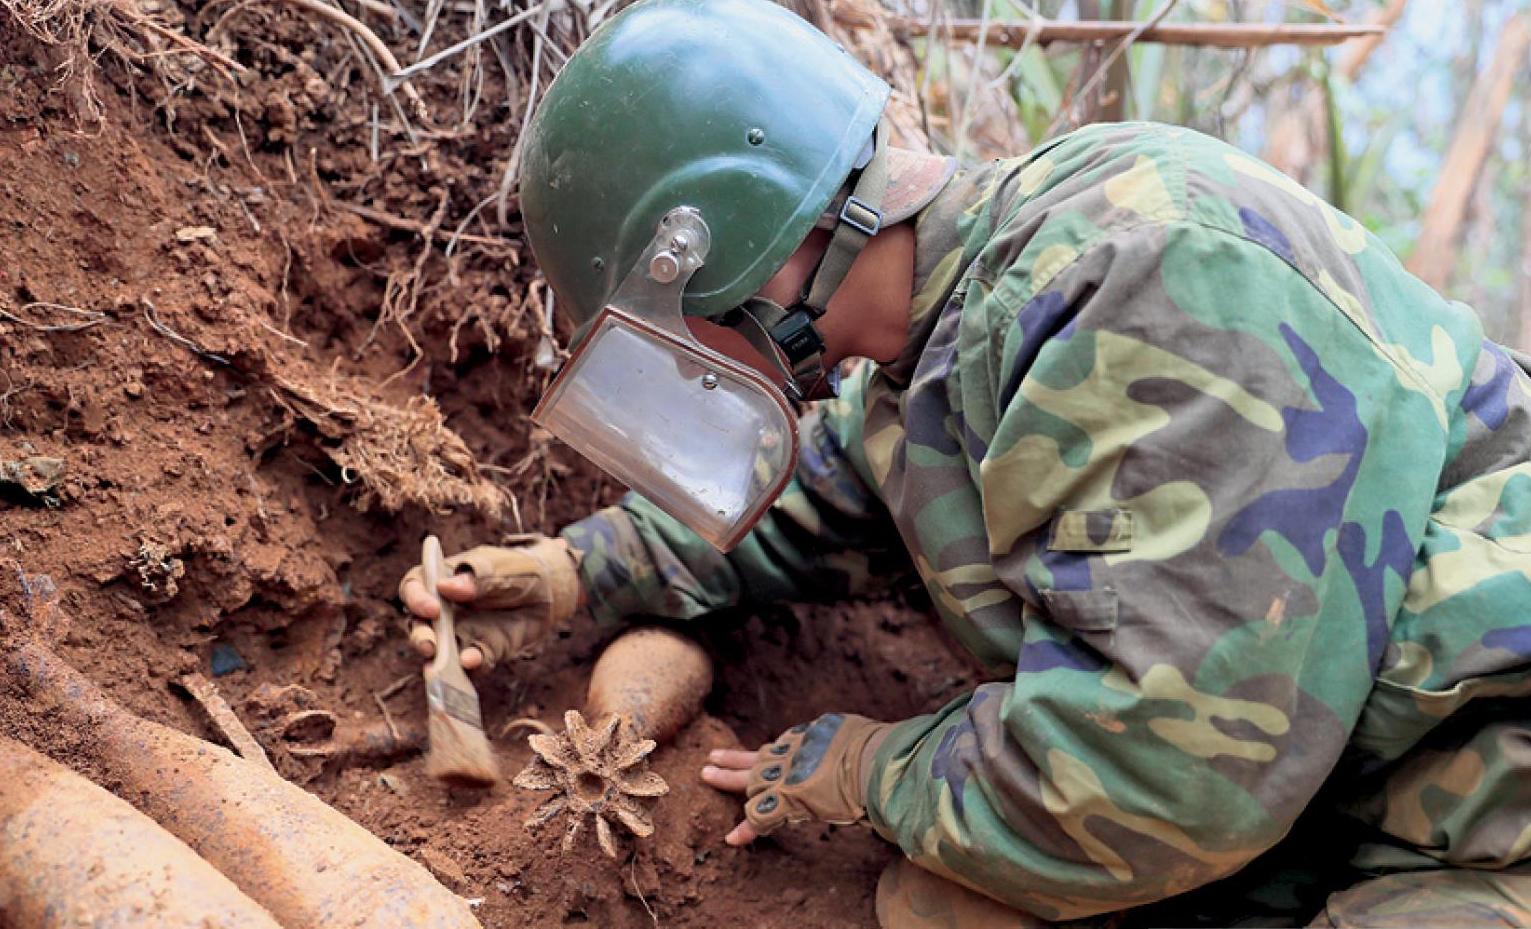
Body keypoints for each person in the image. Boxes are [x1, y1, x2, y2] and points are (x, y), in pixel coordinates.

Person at [399, 0, 1531, 924]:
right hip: (1340, 784)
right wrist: (569, 574)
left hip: (1488, 795)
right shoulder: (942, 344)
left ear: (720, 249)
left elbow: (1158, 785)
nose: (686, 367)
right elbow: (808, 499)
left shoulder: (1142, 277)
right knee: (940, 904)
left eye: (666, 333)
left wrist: (867, 769)